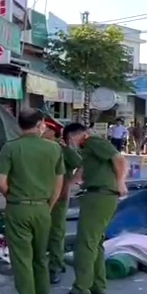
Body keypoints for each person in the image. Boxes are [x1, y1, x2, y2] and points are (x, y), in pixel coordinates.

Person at [0, 109, 65, 294]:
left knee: (22, 258)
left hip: (18, 207)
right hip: (43, 208)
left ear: (19, 125)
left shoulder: (10, 148)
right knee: (40, 257)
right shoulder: (54, 149)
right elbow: (59, 181)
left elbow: (1, 183)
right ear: (40, 124)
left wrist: (15, 198)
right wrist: (49, 204)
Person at [56, 123, 128, 294]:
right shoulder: (88, 150)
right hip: (98, 195)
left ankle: (81, 288)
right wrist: (68, 186)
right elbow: (82, 170)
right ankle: (98, 286)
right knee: (96, 243)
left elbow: (119, 159)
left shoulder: (93, 141)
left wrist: (120, 182)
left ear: (72, 136)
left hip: (100, 195)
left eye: (68, 140)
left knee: (85, 243)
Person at [45, 121, 84, 284]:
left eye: (46, 129)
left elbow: (79, 163)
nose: (42, 131)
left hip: (59, 197)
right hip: (39, 197)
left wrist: (71, 183)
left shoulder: (61, 149)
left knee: (55, 233)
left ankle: (55, 266)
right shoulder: (34, 147)